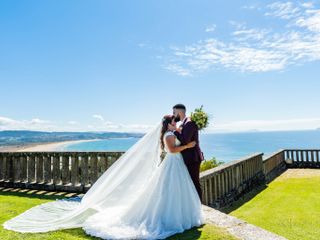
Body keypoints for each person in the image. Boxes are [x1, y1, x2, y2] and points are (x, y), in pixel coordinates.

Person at [3, 115, 205, 239]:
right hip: (172, 164)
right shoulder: (168, 136)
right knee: (165, 192)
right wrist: (187, 146)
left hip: (175, 167)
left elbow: (181, 135)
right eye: (173, 121)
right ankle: (165, 217)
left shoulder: (172, 132)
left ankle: (177, 216)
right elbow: (172, 150)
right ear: (168, 123)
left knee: (171, 192)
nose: (176, 123)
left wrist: (186, 132)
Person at [170, 104, 204, 202]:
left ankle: (199, 205)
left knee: (194, 182)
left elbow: (185, 140)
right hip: (188, 158)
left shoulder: (189, 123)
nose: (173, 115)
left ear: (179, 112)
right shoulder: (183, 123)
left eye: (174, 112)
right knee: (189, 183)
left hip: (193, 158)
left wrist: (174, 131)